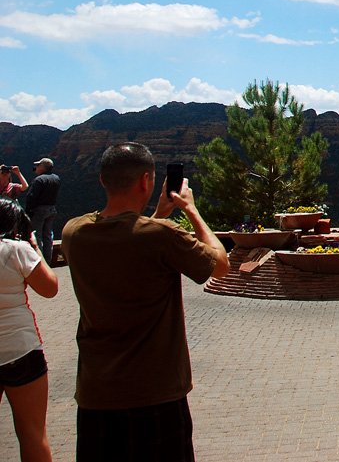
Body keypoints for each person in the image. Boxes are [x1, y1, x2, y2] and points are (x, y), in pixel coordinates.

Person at [60, 142, 229, 462]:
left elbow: (126, 242)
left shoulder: (73, 233)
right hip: (156, 394)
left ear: (101, 180)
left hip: (96, 396)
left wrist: (158, 214)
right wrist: (190, 210)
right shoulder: (162, 235)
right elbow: (219, 265)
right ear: (146, 181)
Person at [0, 199, 58, 462]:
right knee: (33, 434)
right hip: (20, 350)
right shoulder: (17, 250)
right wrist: (34, 248)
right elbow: (49, 289)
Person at [23, 159, 59, 265]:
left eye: (38, 165)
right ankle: (48, 260)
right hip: (52, 209)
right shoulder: (56, 178)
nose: (36, 167)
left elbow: (31, 197)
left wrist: (28, 211)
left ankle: (40, 261)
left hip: (39, 210)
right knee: (48, 235)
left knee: (36, 235)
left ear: (43, 167)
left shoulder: (39, 180)